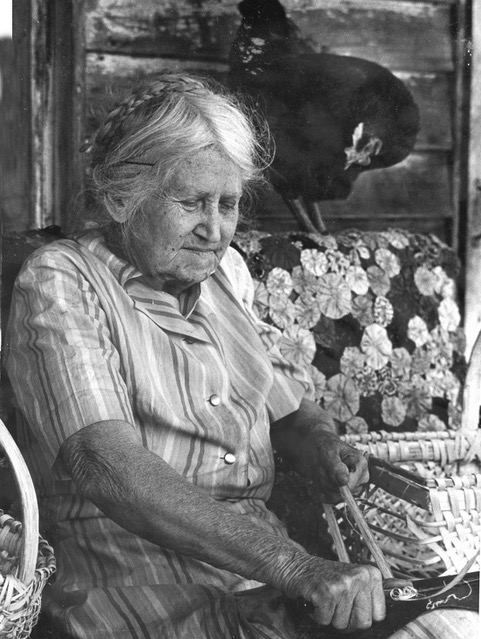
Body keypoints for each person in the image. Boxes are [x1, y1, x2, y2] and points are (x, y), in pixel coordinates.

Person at [5, 74, 392, 639]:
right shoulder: (63, 278)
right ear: (121, 199)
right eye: (191, 203)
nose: (215, 231)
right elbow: (104, 464)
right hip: (131, 575)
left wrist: (321, 444)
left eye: (229, 205)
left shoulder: (226, 274)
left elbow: (290, 410)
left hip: (260, 574)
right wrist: (291, 564)